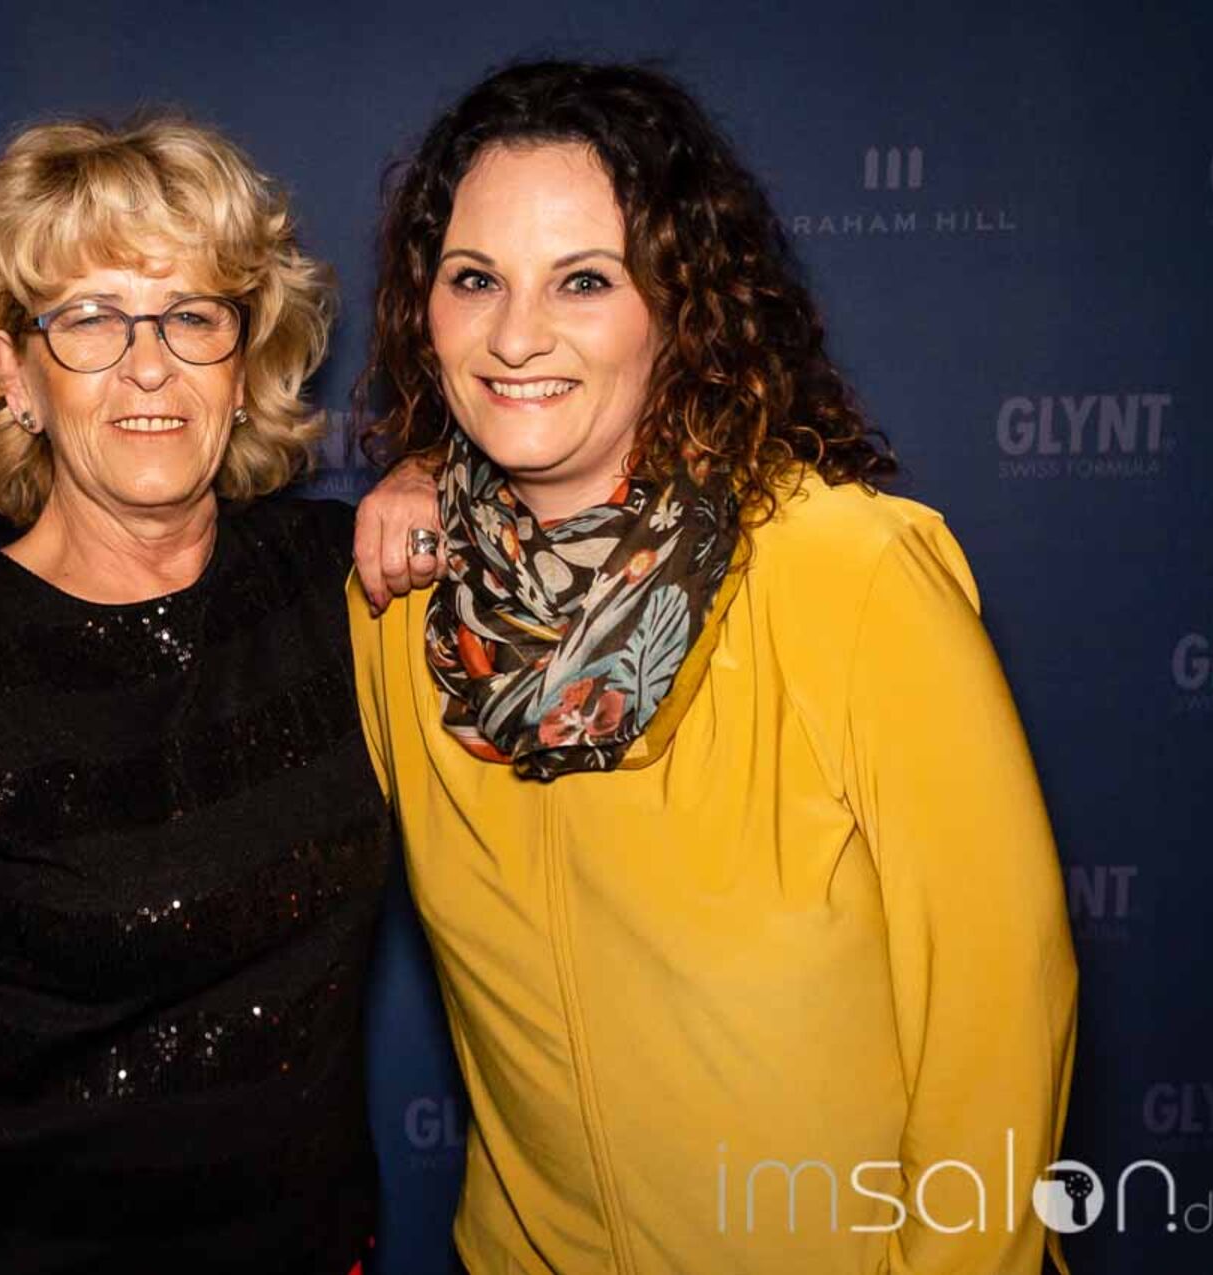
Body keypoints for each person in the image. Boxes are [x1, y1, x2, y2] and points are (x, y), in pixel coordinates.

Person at [348, 61, 1078, 1274]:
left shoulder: (846, 571)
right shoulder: (400, 599)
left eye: (585, 280)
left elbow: (1002, 1005)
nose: (515, 335)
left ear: (680, 306)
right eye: (475, 279)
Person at [0, 112, 433, 1274]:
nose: (149, 364)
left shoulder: (339, 584)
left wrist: (441, 470)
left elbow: (578, 497)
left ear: (246, 358)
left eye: (192, 315)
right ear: (12, 370)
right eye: (89, 318)